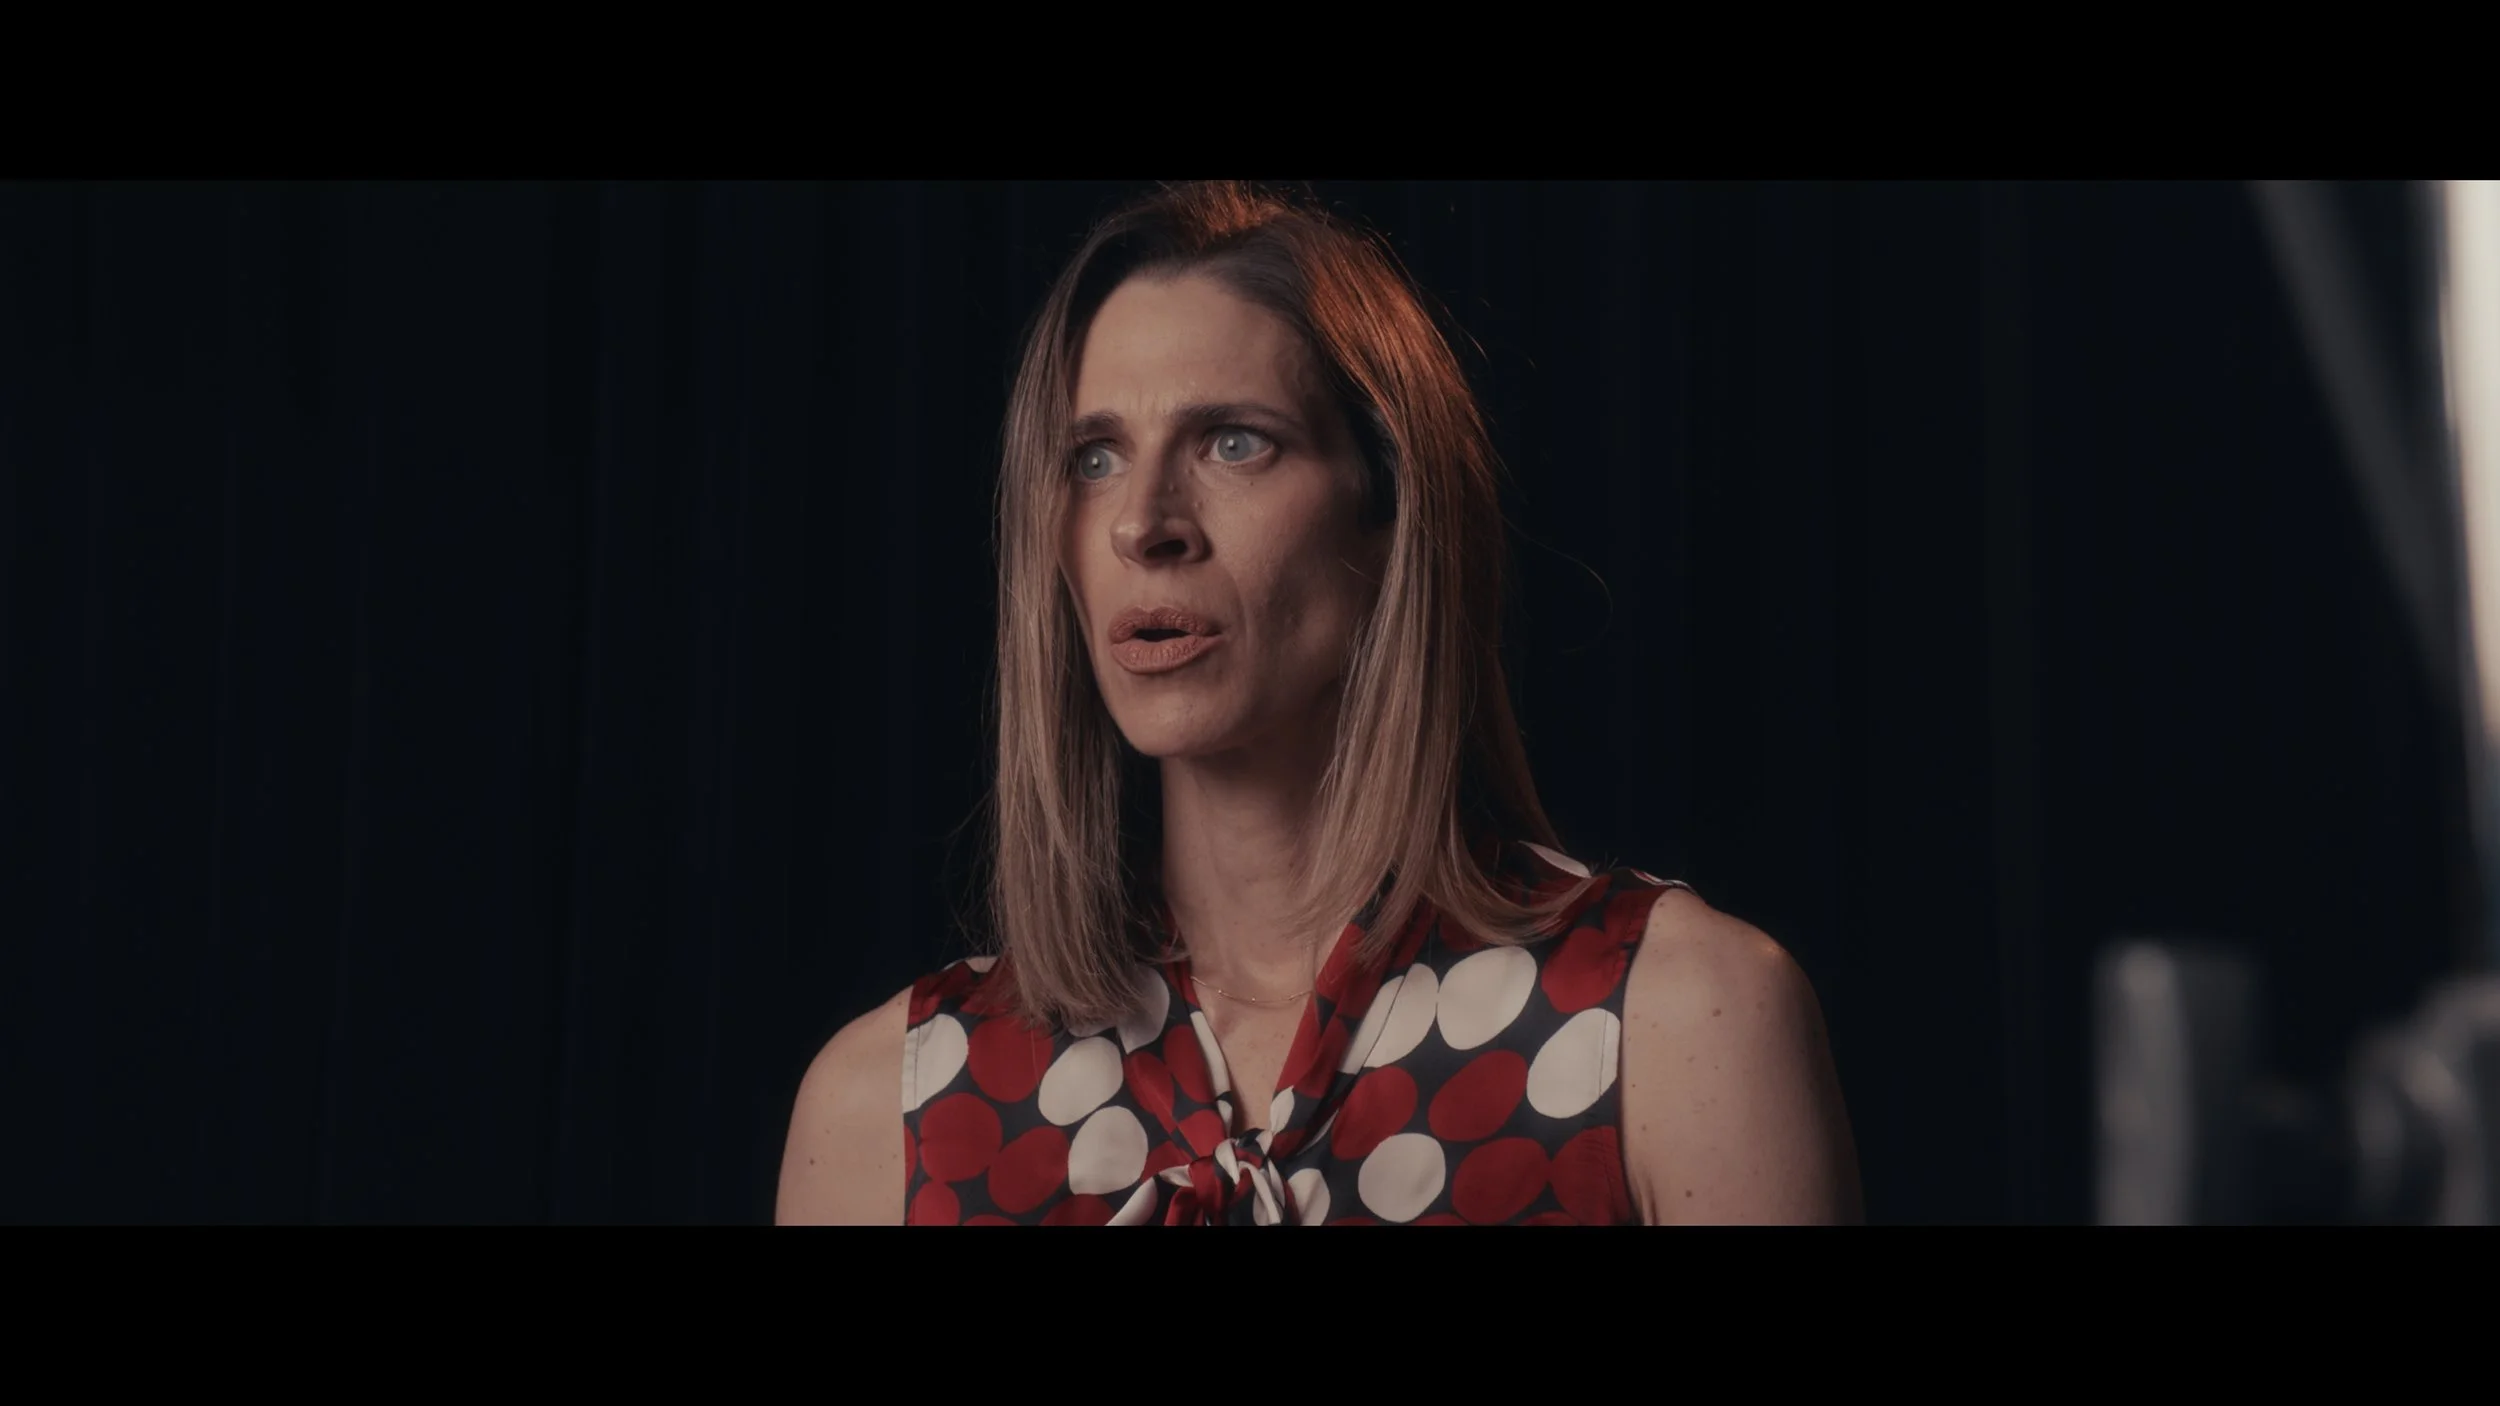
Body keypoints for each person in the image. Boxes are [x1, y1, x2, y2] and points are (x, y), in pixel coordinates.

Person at [776, 181, 1863, 1225]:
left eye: (1233, 442)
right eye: (1095, 457)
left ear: (1389, 508)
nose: (1142, 523)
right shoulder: (887, 1113)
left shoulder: (1678, 1025)